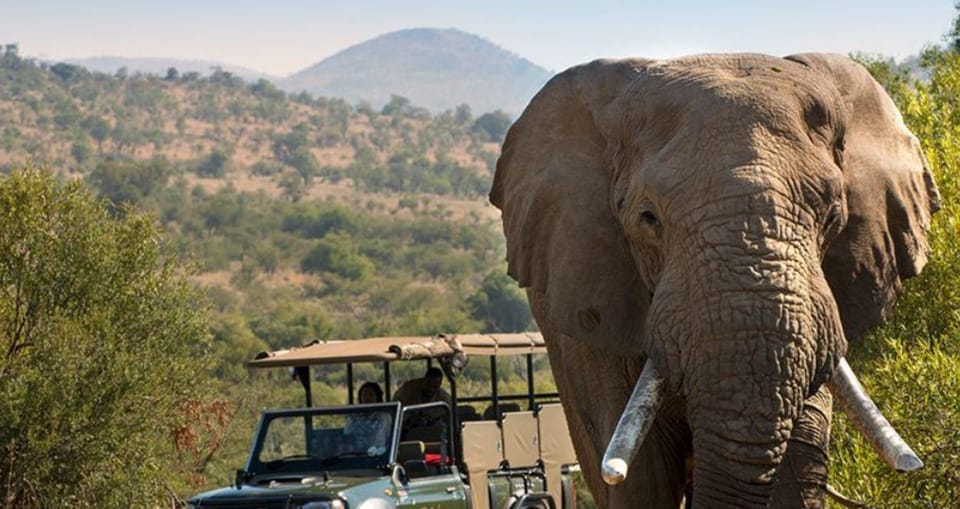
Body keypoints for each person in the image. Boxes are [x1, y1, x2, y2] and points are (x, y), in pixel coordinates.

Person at [344, 382, 391, 451]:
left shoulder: (385, 417)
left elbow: (389, 438)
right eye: (365, 394)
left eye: (371, 395)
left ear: (377, 397)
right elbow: (347, 438)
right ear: (360, 397)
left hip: (379, 455)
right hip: (357, 454)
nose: (367, 398)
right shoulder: (353, 418)